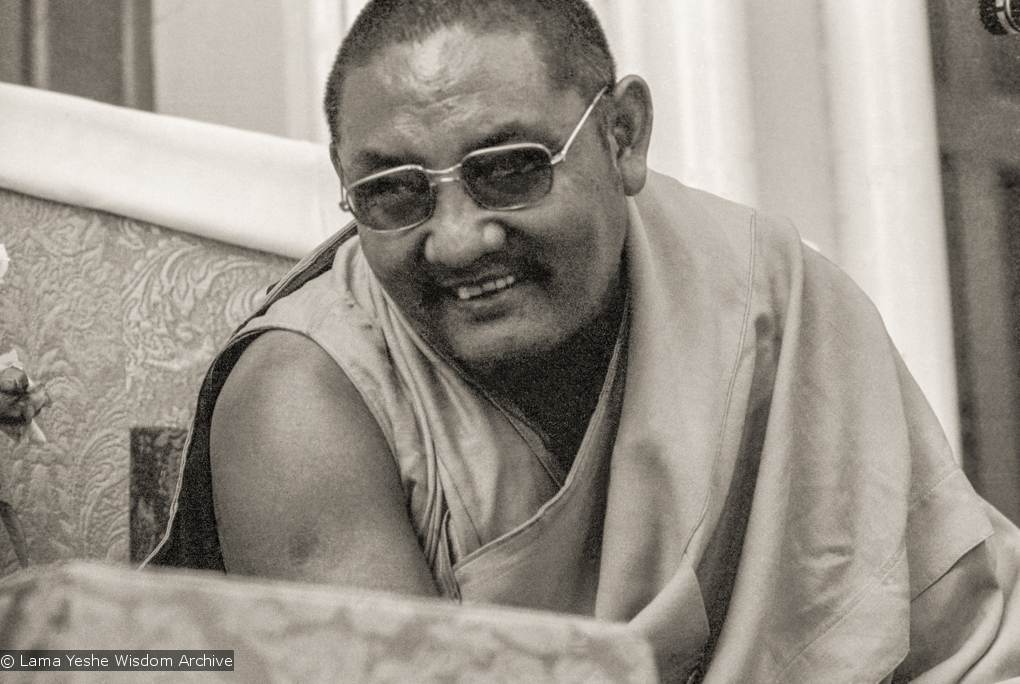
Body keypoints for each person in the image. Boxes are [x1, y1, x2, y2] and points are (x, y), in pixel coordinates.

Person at [148, 0, 1020, 681]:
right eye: (395, 193)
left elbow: (974, 643)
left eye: (510, 168)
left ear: (623, 136)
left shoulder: (764, 296)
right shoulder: (302, 400)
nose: (456, 240)